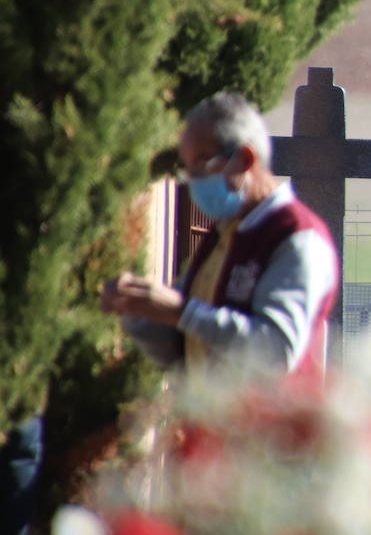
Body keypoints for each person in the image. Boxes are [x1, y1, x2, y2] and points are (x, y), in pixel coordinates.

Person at [101, 92, 338, 378]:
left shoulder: (297, 238)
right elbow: (186, 349)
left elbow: (275, 353)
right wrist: (139, 311)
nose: (194, 181)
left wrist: (180, 311)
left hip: (265, 423)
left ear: (245, 159)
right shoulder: (223, 234)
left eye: (202, 163)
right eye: (188, 169)